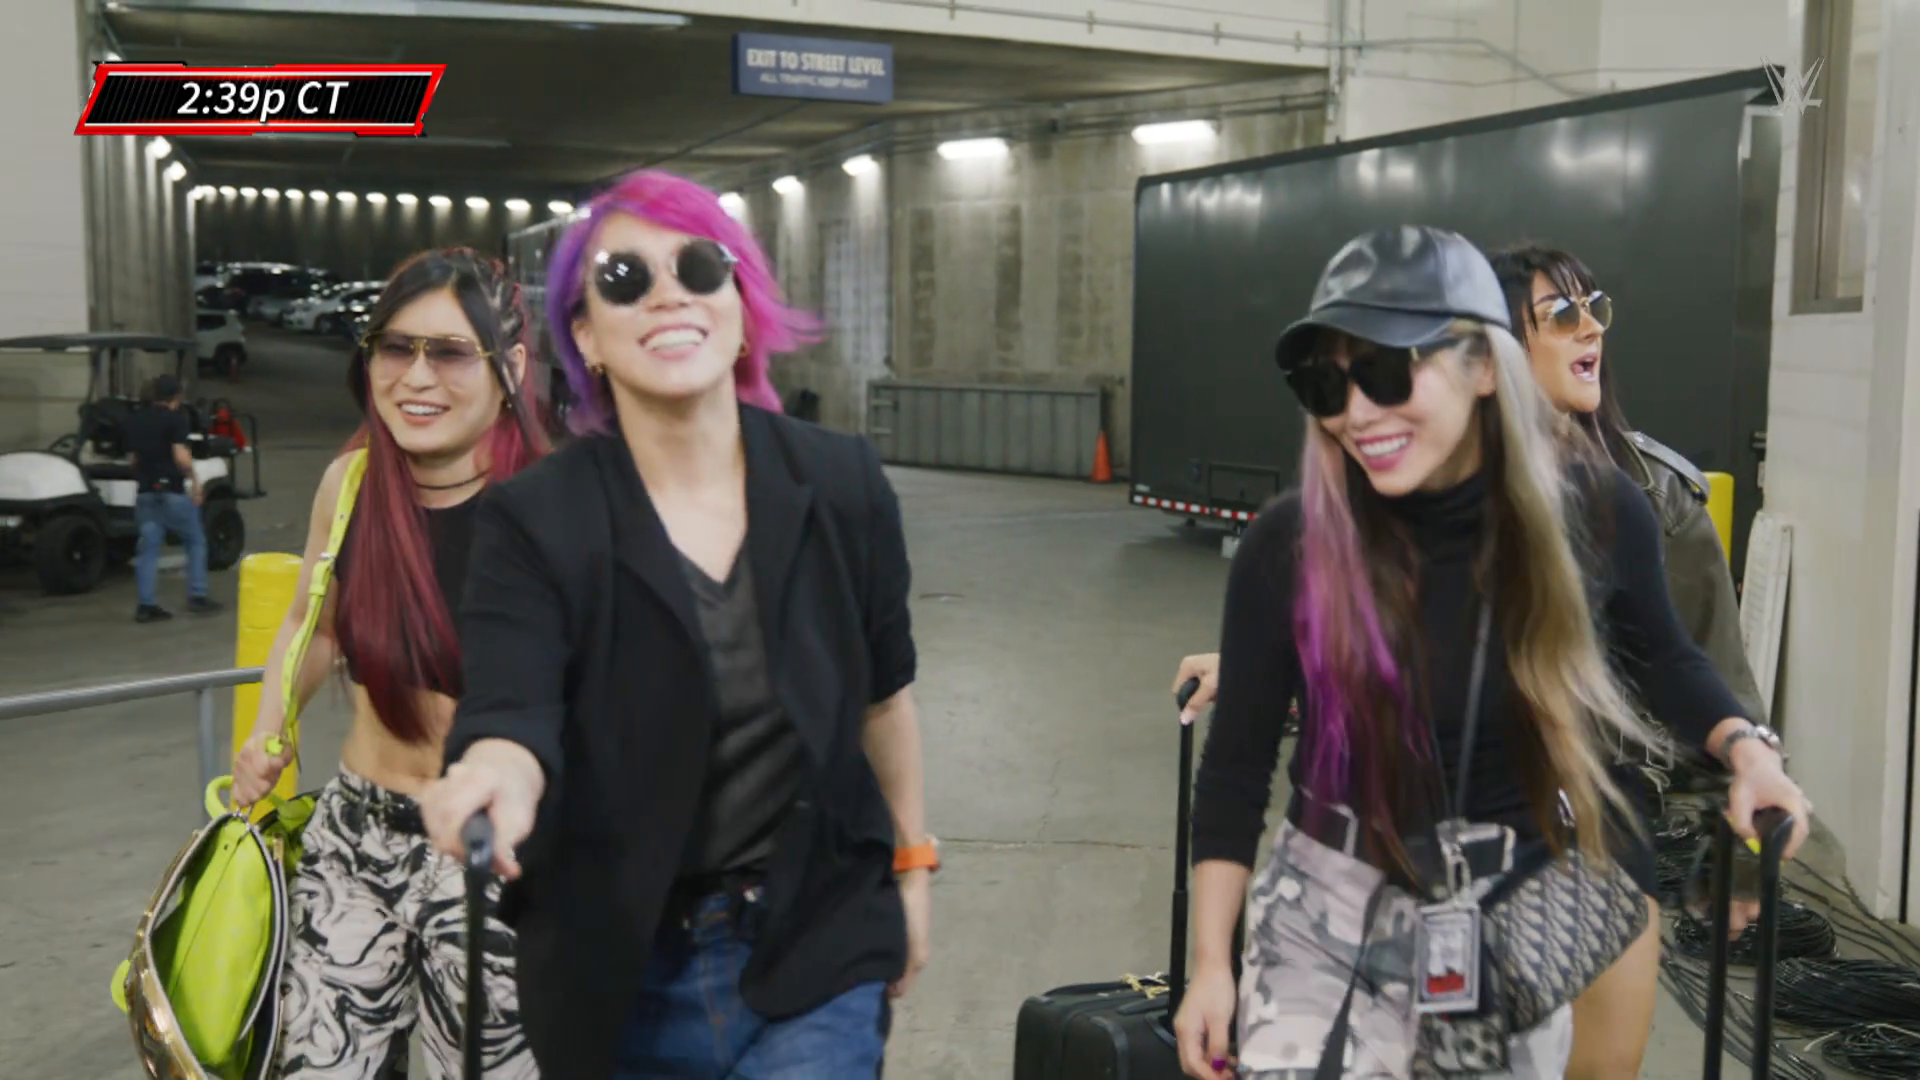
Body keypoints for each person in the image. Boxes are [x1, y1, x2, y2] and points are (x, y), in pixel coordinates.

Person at [1168, 226, 1808, 1080]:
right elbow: (1236, 770)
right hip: (1327, 892)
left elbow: (1667, 660)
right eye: (1326, 383)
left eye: (1387, 373)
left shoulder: (1597, 509)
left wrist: (1748, 753)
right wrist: (1212, 965)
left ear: (1482, 368)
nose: (1357, 411)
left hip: (1513, 892)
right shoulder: (1291, 542)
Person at [416, 168, 933, 1080]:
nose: (669, 295)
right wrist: (496, 774)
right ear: (585, 336)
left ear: (739, 306)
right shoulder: (535, 520)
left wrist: (912, 869)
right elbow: (511, 708)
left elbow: (884, 703)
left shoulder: (842, 484)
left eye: (699, 268)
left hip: (816, 936)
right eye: (624, 280)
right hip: (620, 965)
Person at [231, 248, 549, 1079]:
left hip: (494, 856)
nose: (416, 377)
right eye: (395, 347)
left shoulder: (550, 503)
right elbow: (313, 625)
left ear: (511, 367)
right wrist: (271, 725)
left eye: (450, 352)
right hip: (355, 839)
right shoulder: (352, 483)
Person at [1486, 241, 1768, 1080]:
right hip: (1463, 811)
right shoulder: (1441, 487)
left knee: (1602, 1065)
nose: (1592, 330)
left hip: (1602, 816)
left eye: (1594, 308)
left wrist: (1737, 845)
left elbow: (1705, 670)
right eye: (1560, 314)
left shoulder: (1652, 496)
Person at [123, 372, 221, 622]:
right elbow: (181, 458)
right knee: (195, 541)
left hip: (146, 494)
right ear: (176, 396)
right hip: (172, 493)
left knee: (148, 549)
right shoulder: (177, 419)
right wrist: (195, 482)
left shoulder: (136, 419)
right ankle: (197, 596)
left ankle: (146, 605)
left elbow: (133, 460)